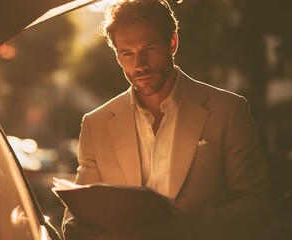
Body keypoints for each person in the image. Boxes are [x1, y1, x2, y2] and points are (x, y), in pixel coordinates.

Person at [62, 0, 271, 239]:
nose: (140, 65)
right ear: (118, 57)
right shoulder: (95, 124)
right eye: (127, 53)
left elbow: (258, 208)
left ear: (172, 43)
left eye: (149, 49)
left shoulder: (228, 110)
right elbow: (75, 216)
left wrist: (202, 222)